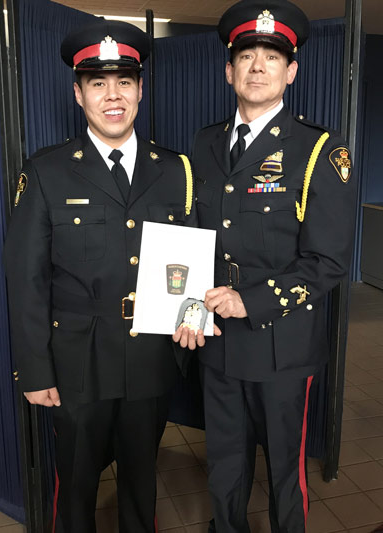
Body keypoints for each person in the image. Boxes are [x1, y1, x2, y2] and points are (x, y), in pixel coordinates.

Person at [4, 20, 196, 533]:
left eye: (124, 82)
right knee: (77, 487)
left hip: (149, 357)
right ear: (78, 92)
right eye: (97, 83)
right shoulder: (46, 172)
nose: (113, 96)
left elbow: (198, 262)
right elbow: (25, 280)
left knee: (140, 481)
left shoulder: (176, 169)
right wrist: (35, 371)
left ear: (140, 89)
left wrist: (189, 323)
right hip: (76, 365)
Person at [175, 0, 358, 531]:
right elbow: (193, 239)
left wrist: (249, 300)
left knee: (284, 471)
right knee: (225, 465)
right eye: (246, 56)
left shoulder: (320, 150)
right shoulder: (205, 143)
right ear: (229, 69)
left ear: (291, 71)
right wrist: (185, 304)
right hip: (217, 341)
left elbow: (327, 261)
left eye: (271, 57)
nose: (257, 67)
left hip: (281, 345)